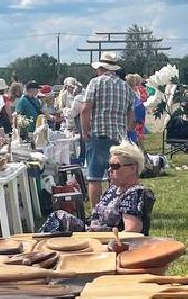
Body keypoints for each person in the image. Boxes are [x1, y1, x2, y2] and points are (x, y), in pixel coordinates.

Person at [41, 140, 154, 234]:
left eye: (115, 166)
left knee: (59, 220)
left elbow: (132, 230)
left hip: (102, 244)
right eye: (109, 166)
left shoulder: (134, 193)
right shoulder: (113, 189)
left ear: (133, 168)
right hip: (91, 234)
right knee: (58, 217)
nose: (110, 170)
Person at [78, 54, 136, 210]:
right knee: (117, 178)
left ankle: (97, 212)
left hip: (99, 135)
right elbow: (132, 114)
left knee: (94, 178)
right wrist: (126, 132)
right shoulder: (126, 87)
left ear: (101, 68)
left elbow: (85, 110)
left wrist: (85, 131)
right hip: (119, 139)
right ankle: (116, 209)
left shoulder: (95, 83)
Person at [126, 74, 148, 144]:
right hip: (140, 108)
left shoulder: (129, 90)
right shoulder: (137, 89)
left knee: (131, 128)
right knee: (136, 129)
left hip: (135, 109)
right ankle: (136, 141)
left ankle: (133, 142)